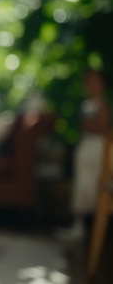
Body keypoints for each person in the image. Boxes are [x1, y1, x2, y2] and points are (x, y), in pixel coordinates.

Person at [57, 69, 110, 241]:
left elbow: (103, 128)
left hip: (97, 150)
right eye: (89, 83)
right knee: (83, 184)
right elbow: (84, 125)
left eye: (95, 83)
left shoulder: (103, 106)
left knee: (96, 184)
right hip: (86, 148)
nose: (91, 87)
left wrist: (90, 125)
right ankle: (80, 226)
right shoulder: (86, 105)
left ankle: (98, 228)